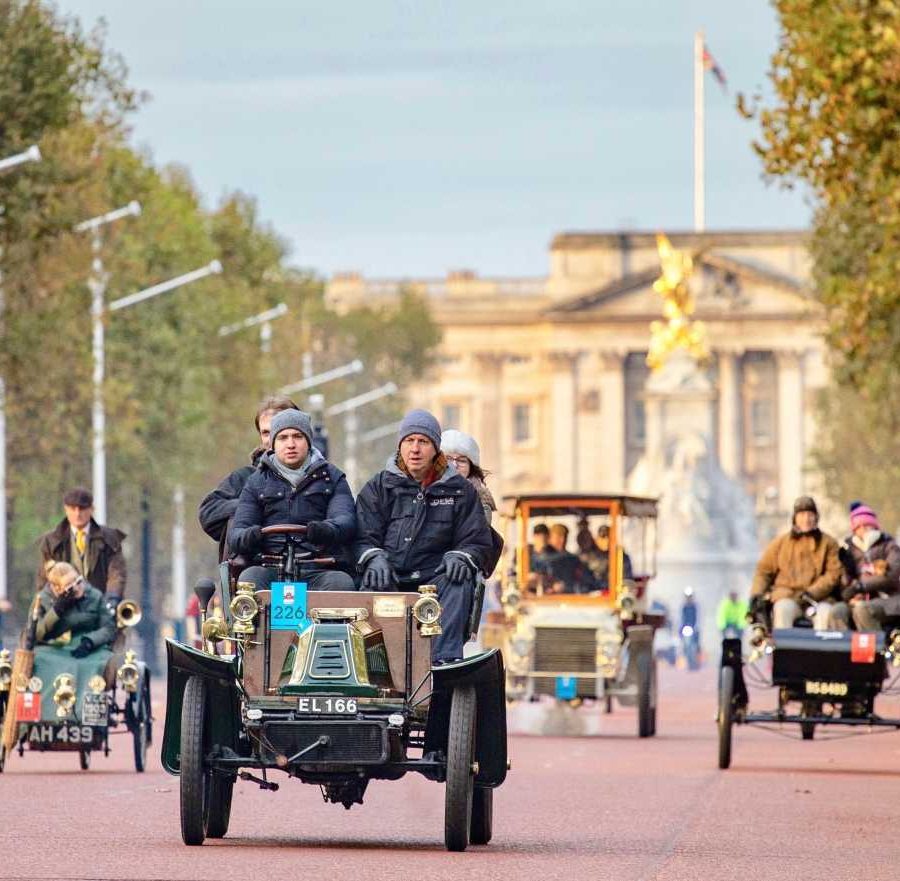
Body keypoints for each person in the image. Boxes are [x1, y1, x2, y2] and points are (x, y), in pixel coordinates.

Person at [355, 409, 493, 662]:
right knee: (371, 581)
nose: (415, 449)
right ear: (400, 445)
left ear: (435, 448)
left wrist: (461, 556)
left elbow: (476, 540)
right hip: (391, 576)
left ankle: (443, 663)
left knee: (459, 580)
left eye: (423, 442)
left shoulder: (460, 490)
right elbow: (362, 534)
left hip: (437, 579)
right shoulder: (378, 487)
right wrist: (373, 557)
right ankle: (373, 664)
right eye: (409, 441)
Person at [229, 408, 357, 591]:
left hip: (318, 569)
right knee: (249, 579)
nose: (291, 444)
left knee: (341, 583)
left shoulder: (333, 478)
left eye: (297, 436)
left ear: (309, 441)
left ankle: (329, 622)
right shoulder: (255, 482)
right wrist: (253, 535)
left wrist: (325, 530)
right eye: (283, 437)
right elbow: (237, 533)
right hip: (269, 569)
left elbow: (346, 521)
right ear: (273, 443)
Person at [199, 394, 299, 560]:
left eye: (278, 430)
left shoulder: (323, 477)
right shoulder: (244, 478)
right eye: (266, 433)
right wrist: (253, 506)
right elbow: (209, 512)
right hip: (256, 569)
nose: (272, 439)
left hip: (313, 570)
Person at [750, 495, 843, 630]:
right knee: (782, 609)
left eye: (810, 514)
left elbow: (833, 574)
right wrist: (756, 595)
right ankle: (782, 650)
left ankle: (821, 650)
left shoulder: (829, 543)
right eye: (802, 514)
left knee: (825, 613)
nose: (806, 519)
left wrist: (811, 593)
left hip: (818, 600)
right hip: (788, 597)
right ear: (795, 518)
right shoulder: (781, 543)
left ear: (816, 517)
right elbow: (763, 571)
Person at [36, 487, 126, 604]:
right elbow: (44, 579)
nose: (77, 513)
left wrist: (112, 598)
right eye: (73, 509)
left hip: (101, 606)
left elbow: (117, 573)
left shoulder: (110, 538)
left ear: (92, 509)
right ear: (66, 510)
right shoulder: (51, 542)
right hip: (64, 609)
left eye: (82, 509)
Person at [839, 503, 900, 631]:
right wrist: (851, 588)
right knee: (837, 611)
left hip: (889, 599)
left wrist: (860, 587)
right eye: (858, 527)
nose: (863, 530)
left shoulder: (889, 546)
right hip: (860, 599)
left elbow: (891, 577)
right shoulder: (850, 550)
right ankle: (843, 649)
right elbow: (846, 582)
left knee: (862, 609)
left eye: (866, 525)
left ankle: (874, 648)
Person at [35, 562, 116, 656]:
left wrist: (89, 642)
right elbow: (35, 634)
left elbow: (109, 628)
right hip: (53, 649)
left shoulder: (94, 595)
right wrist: (56, 611)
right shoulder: (42, 599)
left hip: (89, 648)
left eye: (79, 582)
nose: (77, 588)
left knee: (107, 661)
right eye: (70, 587)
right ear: (57, 589)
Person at [440, 429, 496, 523]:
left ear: (471, 467)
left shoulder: (480, 501)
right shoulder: (423, 492)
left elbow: (477, 535)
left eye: (461, 460)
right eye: (448, 459)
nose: (454, 465)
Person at [537, 524, 592, 593]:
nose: (562, 540)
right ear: (549, 538)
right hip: (547, 598)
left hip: (570, 597)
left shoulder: (573, 559)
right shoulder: (540, 559)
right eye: (558, 537)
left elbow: (585, 580)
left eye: (565, 537)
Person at [578, 524, 633, 591]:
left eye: (609, 537)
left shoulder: (621, 558)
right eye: (603, 537)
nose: (606, 540)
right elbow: (583, 581)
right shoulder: (587, 557)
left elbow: (627, 580)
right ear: (597, 539)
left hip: (613, 596)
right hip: (591, 596)